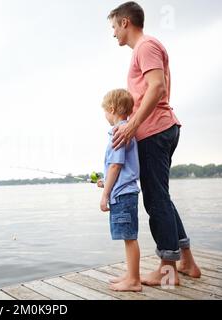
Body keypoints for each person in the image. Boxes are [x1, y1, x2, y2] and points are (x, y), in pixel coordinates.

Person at [107, 1, 201, 285]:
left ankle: (167, 270)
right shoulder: (145, 48)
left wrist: (133, 124)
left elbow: (157, 86)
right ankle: (186, 262)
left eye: (113, 27)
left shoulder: (145, 46)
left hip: (154, 131)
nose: (113, 34)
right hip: (160, 129)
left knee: (156, 200)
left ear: (125, 22)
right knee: (162, 198)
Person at [98, 89, 142, 292]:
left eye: (105, 112)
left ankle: (134, 280)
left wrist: (105, 194)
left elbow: (116, 165)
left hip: (122, 194)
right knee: (128, 237)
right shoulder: (126, 130)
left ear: (112, 109)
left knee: (129, 237)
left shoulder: (119, 132)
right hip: (124, 191)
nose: (105, 116)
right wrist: (105, 181)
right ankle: (131, 274)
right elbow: (116, 168)